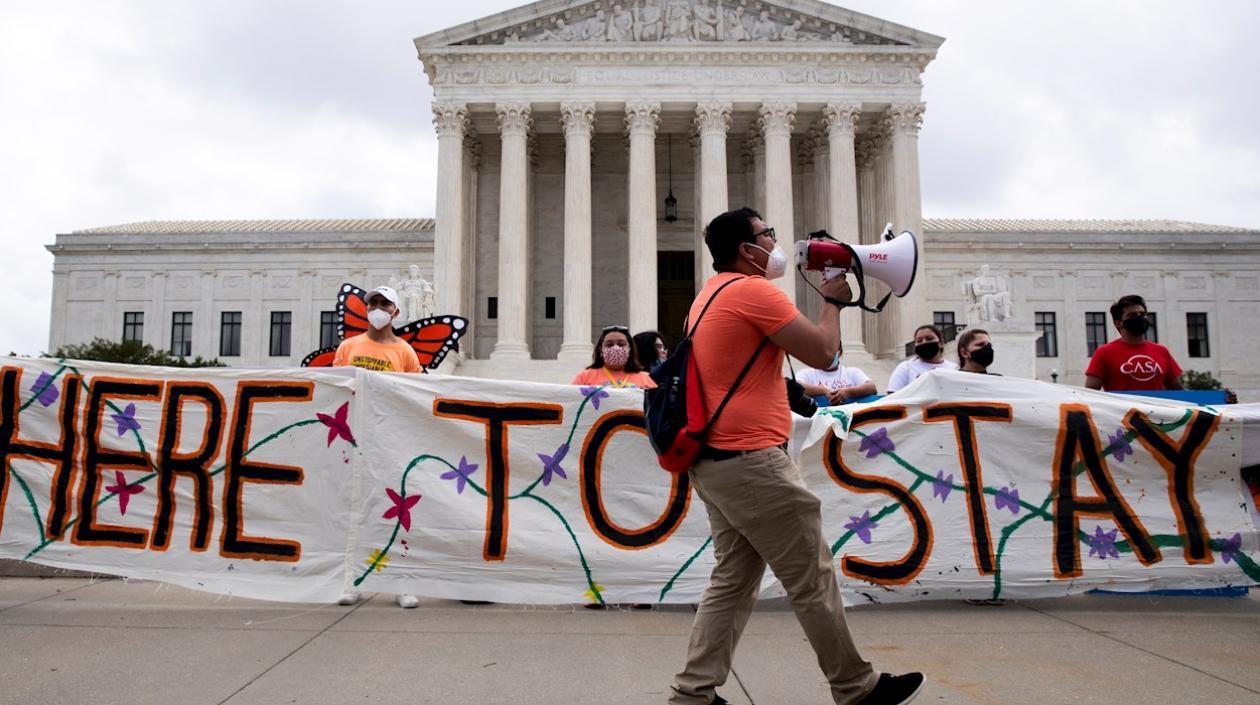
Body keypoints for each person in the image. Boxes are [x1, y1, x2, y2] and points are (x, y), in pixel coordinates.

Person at [668, 207, 925, 705]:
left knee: (733, 581)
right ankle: (856, 687)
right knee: (812, 576)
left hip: (718, 461)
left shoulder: (707, 296)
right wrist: (832, 300)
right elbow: (826, 354)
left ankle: (694, 693)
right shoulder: (753, 291)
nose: (776, 241)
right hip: (751, 461)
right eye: (768, 234)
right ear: (747, 250)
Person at [333, 285, 422, 610]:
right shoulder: (348, 346)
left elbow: (415, 393)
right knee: (356, 510)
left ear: (396, 312)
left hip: (392, 437)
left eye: (385, 303)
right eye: (373, 303)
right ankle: (352, 582)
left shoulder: (405, 352)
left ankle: (402, 582)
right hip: (356, 436)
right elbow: (337, 388)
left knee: (398, 511)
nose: (378, 308)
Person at [1085, 294, 1182, 392]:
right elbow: (1090, 393)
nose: (1139, 317)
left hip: (1155, 407)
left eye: (1142, 314)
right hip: (1123, 407)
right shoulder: (1104, 352)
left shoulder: (1162, 351)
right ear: (1119, 323)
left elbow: (1178, 390)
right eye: (1132, 315)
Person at [571, 325, 656, 389]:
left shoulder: (645, 379)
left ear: (630, 350)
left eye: (621, 344)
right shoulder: (585, 377)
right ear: (601, 350)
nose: (615, 348)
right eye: (609, 344)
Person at [797, 343, 877, 406]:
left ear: (840, 353)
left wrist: (848, 392)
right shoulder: (808, 374)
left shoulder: (852, 372)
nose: (827, 355)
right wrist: (824, 391)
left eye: (831, 351)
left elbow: (872, 387)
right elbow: (796, 387)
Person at [887, 324, 958, 393]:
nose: (924, 342)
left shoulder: (954, 369)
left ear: (941, 343)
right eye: (919, 341)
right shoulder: (906, 368)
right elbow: (891, 397)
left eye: (929, 338)